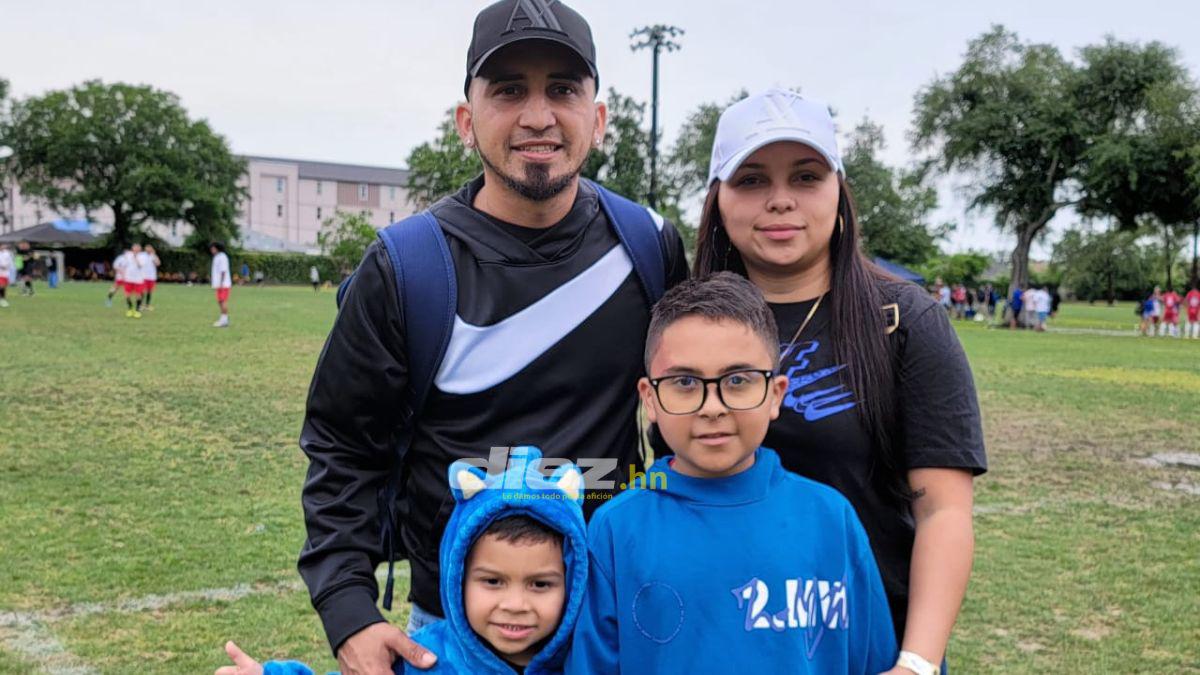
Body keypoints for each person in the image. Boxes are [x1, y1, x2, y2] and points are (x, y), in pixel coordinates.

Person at [297, 2, 687, 673]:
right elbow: (342, 446)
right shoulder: (404, 266)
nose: (538, 115)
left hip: (614, 624)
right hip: (453, 635)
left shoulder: (649, 245)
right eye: (508, 90)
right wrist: (349, 610)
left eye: (562, 89)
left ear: (598, 118)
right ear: (465, 122)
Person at [691, 89, 986, 673]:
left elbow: (944, 513)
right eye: (751, 180)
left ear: (839, 192)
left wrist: (918, 663)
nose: (780, 201)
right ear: (718, 200)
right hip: (717, 636)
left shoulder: (904, 320)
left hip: (865, 642)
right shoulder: (685, 320)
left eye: (805, 177)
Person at [568, 274, 898, 674]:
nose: (712, 406)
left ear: (775, 394)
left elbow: (872, 660)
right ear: (650, 399)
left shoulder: (832, 518)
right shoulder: (617, 527)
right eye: (685, 382)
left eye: (738, 380)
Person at [218, 448, 587, 675]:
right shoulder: (423, 660)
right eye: (492, 581)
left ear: (571, 583)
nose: (515, 605)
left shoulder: (591, 658)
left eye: (540, 584)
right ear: (457, 578)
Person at [121, 243, 147, 319]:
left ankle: (137, 310)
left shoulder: (143, 256)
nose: (136, 249)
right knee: (127, 295)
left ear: (140, 249)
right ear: (132, 248)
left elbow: (140, 266)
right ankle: (130, 309)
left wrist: (136, 258)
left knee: (138, 295)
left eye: (137, 247)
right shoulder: (128, 255)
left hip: (138, 279)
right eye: (134, 247)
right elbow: (124, 265)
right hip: (128, 278)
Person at [211, 242, 232, 327]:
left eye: (213, 248)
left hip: (223, 284)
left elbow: (223, 270)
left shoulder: (222, 257)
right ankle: (223, 319)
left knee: (223, 301)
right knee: (220, 301)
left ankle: (224, 320)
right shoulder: (217, 257)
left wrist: (221, 282)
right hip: (218, 284)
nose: (212, 250)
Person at [140, 245, 161, 311]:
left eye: (150, 248)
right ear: (145, 249)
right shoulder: (141, 255)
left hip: (151, 276)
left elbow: (158, 264)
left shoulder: (153, 256)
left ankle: (147, 305)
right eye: (147, 248)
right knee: (142, 291)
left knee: (149, 291)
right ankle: (140, 305)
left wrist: (154, 255)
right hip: (143, 276)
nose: (148, 249)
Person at [0, 243, 12, 308]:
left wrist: (6, 266)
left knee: (4, 286)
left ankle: (3, 299)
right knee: (1, 286)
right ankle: (2, 299)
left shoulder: (7, 253)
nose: (3, 246)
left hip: (5, 273)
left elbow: (9, 262)